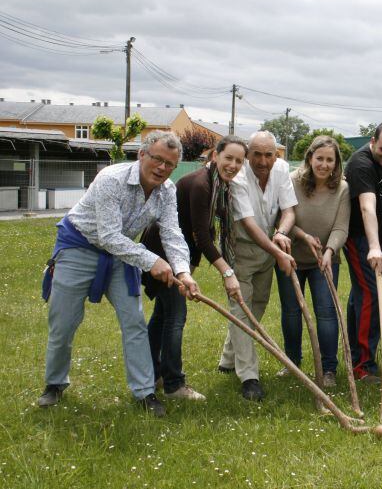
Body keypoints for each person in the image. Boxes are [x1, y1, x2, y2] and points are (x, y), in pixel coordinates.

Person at [38, 131, 199, 417]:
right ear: (141, 155)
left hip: (122, 254)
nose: (162, 168)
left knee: (134, 322)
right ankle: (54, 384)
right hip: (79, 246)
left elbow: (173, 234)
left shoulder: (167, 191)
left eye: (169, 164)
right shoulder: (111, 179)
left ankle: (144, 392)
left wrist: (183, 272)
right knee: (63, 322)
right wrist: (152, 261)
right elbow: (108, 235)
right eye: (157, 159)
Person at [140, 135, 248, 401]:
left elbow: (202, 235)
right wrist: (227, 273)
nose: (233, 165)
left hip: (178, 257)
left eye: (239, 161)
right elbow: (202, 236)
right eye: (228, 158)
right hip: (162, 256)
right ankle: (174, 384)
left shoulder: (220, 186)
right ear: (215, 156)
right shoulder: (202, 184)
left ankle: (152, 374)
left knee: (162, 317)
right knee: (175, 317)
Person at [217, 131, 297, 401]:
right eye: (257, 154)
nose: (263, 161)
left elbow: (289, 211)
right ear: (248, 153)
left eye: (269, 155)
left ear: (277, 155)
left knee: (258, 305)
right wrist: (278, 251)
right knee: (242, 310)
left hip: (268, 249)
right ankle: (249, 376)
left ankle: (228, 358)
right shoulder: (238, 178)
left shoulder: (282, 169)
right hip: (242, 249)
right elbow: (249, 225)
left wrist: (282, 233)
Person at [275, 135, 350, 388]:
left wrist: (329, 251)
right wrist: (303, 236)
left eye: (330, 160)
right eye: (320, 158)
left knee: (326, 314)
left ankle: (329, 370)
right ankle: (293, 364)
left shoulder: (342, 188)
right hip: (291, 257)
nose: (324, 164)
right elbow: (283, 218)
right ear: (310, 157)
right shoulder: (292, 181)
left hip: (324, 260)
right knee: (292, 312)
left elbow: (341, 227)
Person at [343, 122, 382, 383]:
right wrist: (374, 246)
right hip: (359, 236)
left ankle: (353, 353)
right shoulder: (361, 163)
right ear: (372, 141)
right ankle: (363, 364)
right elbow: (367, 207)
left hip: (379, 235)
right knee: (370, 294)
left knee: (360, 293)